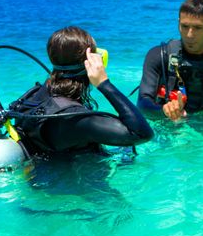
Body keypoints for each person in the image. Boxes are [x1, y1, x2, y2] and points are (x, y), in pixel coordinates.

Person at [11, 26, 153, 155]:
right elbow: (142, 133)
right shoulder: (77, 119)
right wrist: (104, 83)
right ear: (91, 62)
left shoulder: (36, 95)